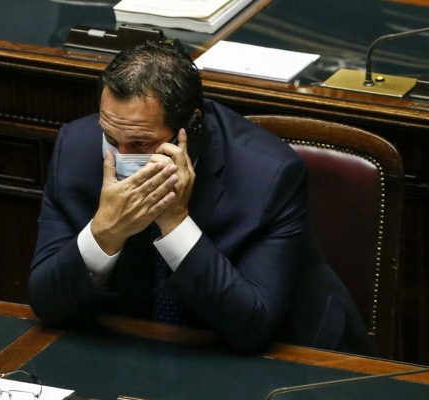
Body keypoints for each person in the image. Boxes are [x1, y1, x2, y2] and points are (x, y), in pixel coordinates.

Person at [28, 41, 372, 355]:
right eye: (109, 137)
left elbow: (253, 325)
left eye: (140, 144)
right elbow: (46, 302)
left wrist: (175, 222)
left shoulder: (269, 176)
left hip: (291, 359)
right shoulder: (76, 151)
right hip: (146, 353)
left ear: (190, 127)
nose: (119, 156)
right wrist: (105, 233)